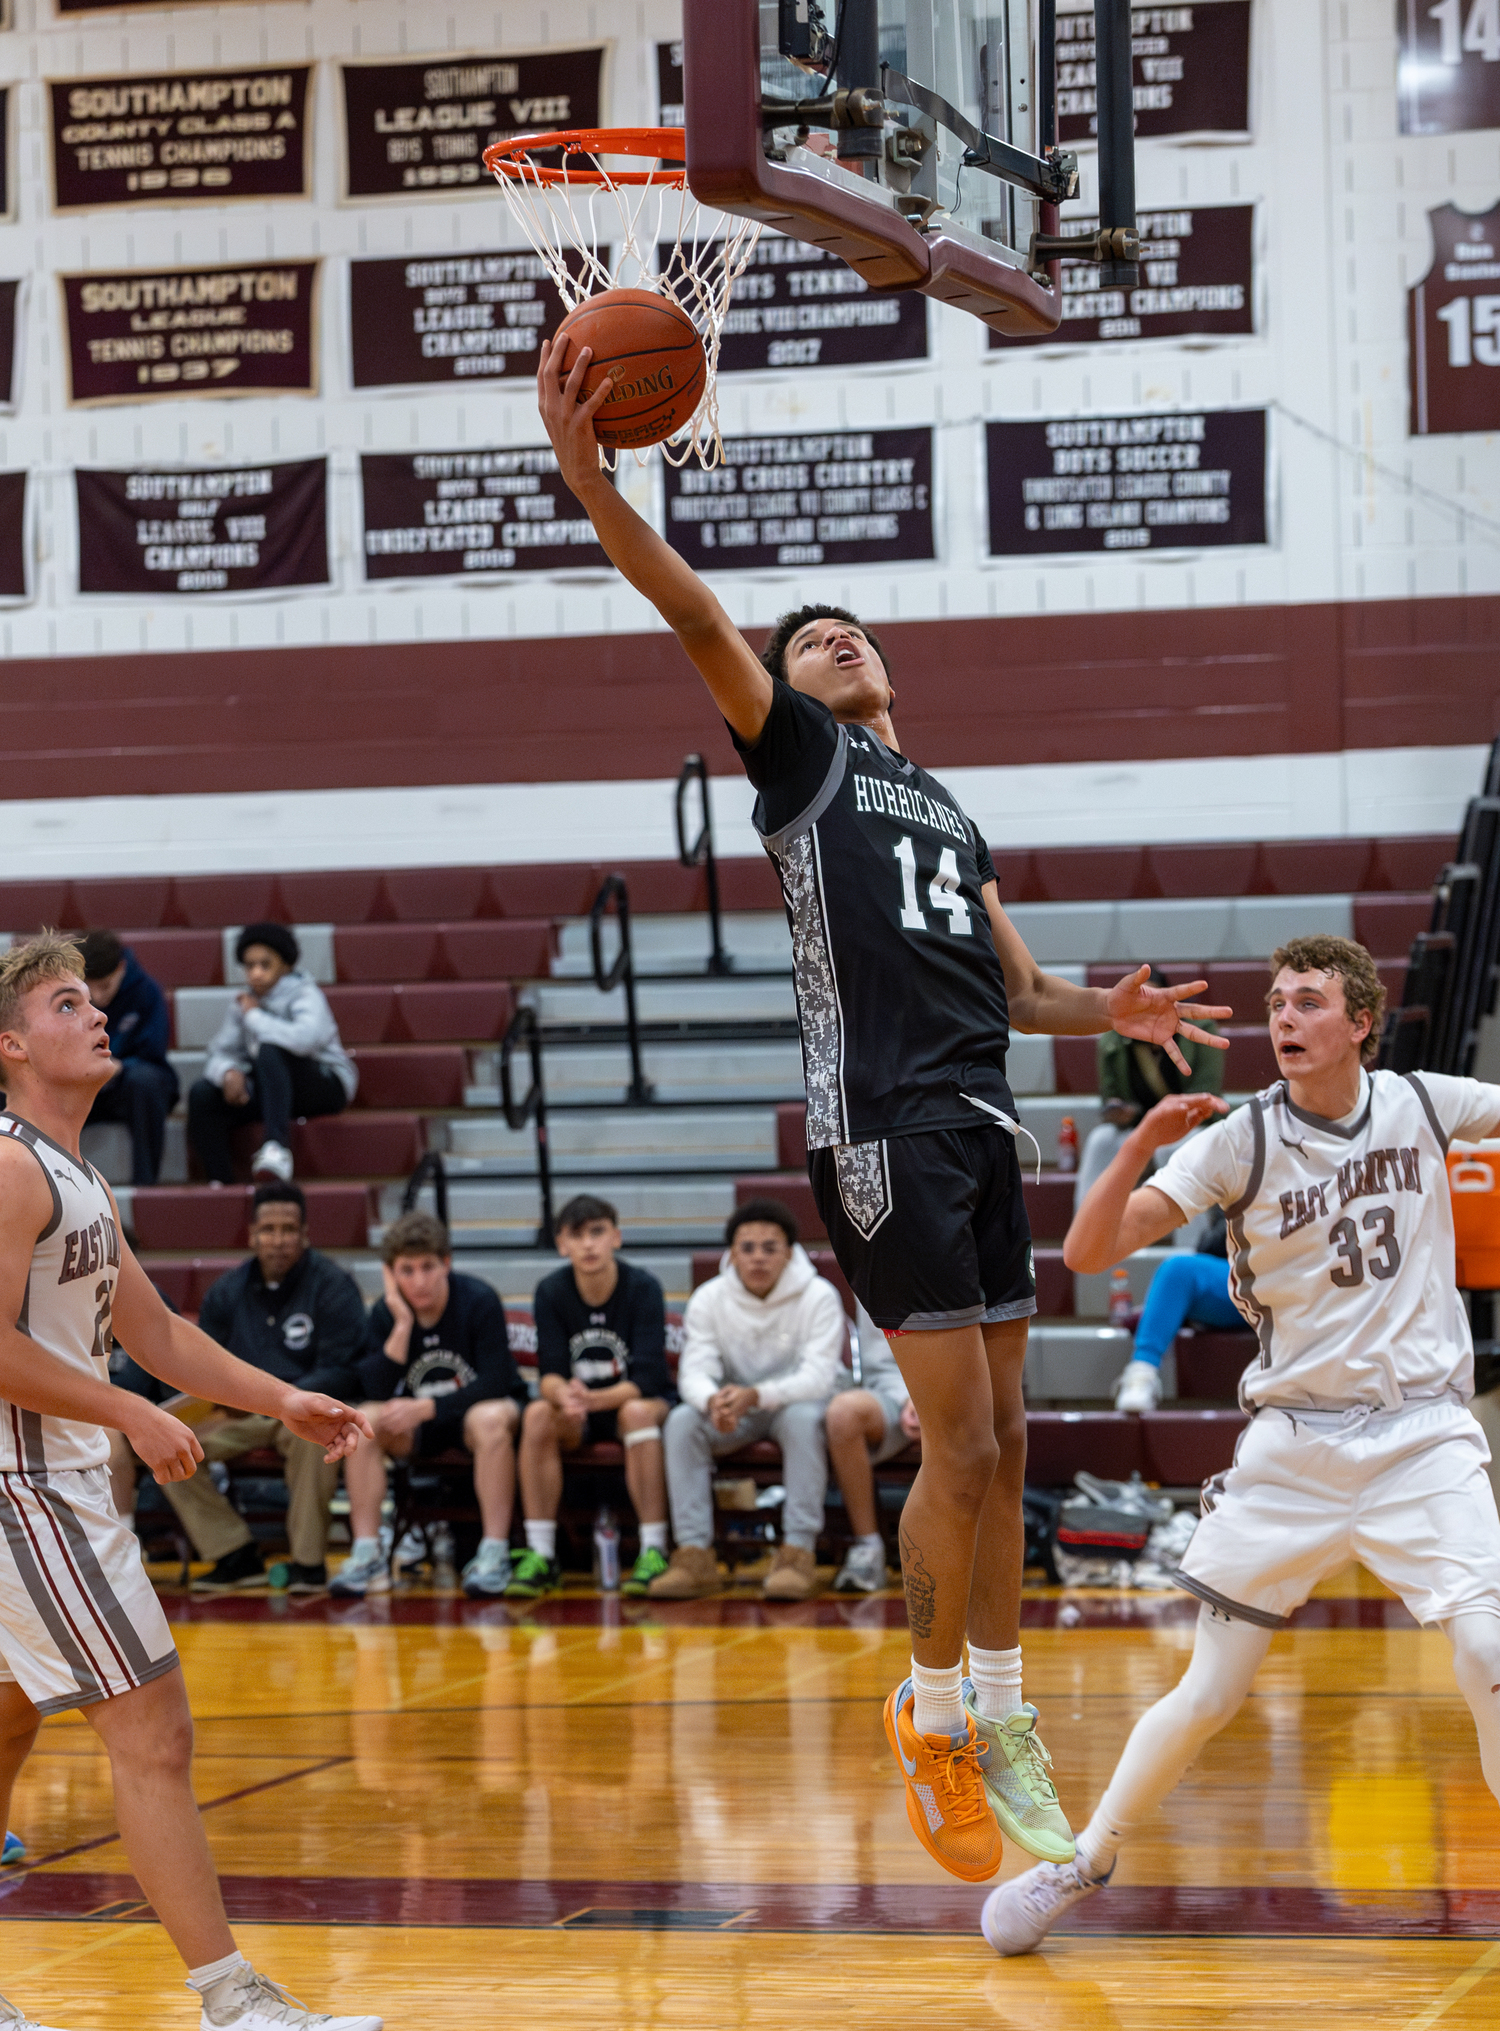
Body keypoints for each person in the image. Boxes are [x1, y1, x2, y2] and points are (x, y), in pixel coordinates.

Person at [538, 338, 1230, 1879]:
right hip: (881, 1129)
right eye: (814, 640)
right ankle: (931, 1714)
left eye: (854, 631)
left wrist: (1102, 1009)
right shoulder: (801, 760)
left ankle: (998, 1705)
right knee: (961, 1446)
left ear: (893, 670)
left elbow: (1021, 987)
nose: (836, 638)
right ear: (783, 696)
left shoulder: (949, 801)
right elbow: (699, 609)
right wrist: (596, 485)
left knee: (1010, 1440)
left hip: (980, 1121)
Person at [983, 933, 1500, 1955]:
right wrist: (1139, 1145)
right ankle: (1087, 1858)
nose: (1284, 1018)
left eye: (1309, 1002)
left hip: (1424, 1437)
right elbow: (1086, 1253)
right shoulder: (1240, 1139)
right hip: (1295, 1447)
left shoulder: (1425, 1102)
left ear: (1360, 1022)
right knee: (1210, 1690)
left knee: (1488, 1648)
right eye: (1276, 1002)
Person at [0, 931, 377, 2031]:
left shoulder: (78, 1175)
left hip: (49, 1481)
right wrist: (123, 1411)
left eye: (92, 999)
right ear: (11, 1044)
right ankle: (231, 2001)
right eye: (68, 1004)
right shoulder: (12, 1165)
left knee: (10, 1727)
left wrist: (281, 1400)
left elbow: (155, 1330)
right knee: (154, 1732)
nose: (97, 1014)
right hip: (29, 1488)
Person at [136, 1184, 365, 1593]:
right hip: (236, 1412)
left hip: (301, 1415)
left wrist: (282, 1401)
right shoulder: (226, 1292)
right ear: (252, 1234)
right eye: (269, 1229)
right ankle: (234, 1555)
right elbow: (201, 1364)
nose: (278, 1239)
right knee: (172, 1442)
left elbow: (342, 1369)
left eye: (288, 1229)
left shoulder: (333, 1286)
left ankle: (308, 1566)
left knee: (315, 1443)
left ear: (305, 1234)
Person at [650, 1200, 846, 1601]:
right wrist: (711, 1403)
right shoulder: (709, 1297)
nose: (758, 1257)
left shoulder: (819, 1296)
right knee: (683, 1421)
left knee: (803, 1421)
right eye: (748, 1247)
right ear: (732, 1253)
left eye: (769, 1248)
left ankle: (798, 1553)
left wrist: (758, 1395)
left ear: (789, 1252)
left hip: (797, 1403)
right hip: (736, 1407)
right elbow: (694, 1371)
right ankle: (694, 1555)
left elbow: (819, 1378)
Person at [332, 1212, 528, 1601]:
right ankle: (368, 1553)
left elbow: (495, 1382)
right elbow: (373, 1387)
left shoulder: (478, 1299)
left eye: (428, 1267)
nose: (418, 1281)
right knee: (365, 1419)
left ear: (446, 1264)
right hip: (420, 1429)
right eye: (406, 1270)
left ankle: (494, 1554)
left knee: (487, 1417)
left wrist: (427, 1407)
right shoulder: (387, 1314)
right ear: (391, 1274)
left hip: (482, 1418)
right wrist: (403, 1324)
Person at [512, 1195, 672, 1601]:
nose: (588, 1244)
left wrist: (592, 1400)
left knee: (638, 1413)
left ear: (616, 1237)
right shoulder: (551, 1291)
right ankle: (542, 1553)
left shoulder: (643, 1287)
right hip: (579, 1408)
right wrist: (561, 1393)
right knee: (535, 1415)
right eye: (577, 1235)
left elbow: (650, 1377)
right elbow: (549, 1373)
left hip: (630, 1402)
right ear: (561, 1243)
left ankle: (654, 1549)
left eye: (597, 1232)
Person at [187, 923, 355, 1185]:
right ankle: (220, 1183)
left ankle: (276, 1148)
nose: (256, 973)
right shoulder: (243, 1003)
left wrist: (254, 1016)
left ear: (285, 965)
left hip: (323, 1084)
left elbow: (303, 1040)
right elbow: (219, 1053)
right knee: (202, 1094)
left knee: (270, 1050)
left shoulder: (306, 994)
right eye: (249, 965)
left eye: (265, 964)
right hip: (274, 1088)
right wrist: (229, 1072)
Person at [827, 1302, 921, 1593]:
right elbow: (878, 1363)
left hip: (961, 1390)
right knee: (843, 1414)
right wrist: (909, 1396)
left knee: (945, 1424)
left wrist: (929, 1396)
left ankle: (954, 1551)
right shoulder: (876, 1259)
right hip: (892, 1393)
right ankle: (868, 1548)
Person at [1111, 1204, 1242, 1413]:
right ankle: (1142, 1372)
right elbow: (1211, 1246)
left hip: (1299, 1282)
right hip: (1248, 1278)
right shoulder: (1241, 1173)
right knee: (1177, 1270)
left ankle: (1163, 1314)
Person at [79, 927, 180, 1186]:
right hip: (80, 1086)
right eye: (90, 989)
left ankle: (145, 1186)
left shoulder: (147, 991)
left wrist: (119, 1068)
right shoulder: (66, 997)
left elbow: (153, 1053)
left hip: (128, 1086)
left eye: (105, 986)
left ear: (122, 967)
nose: (98, 997)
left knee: (145, 1081)